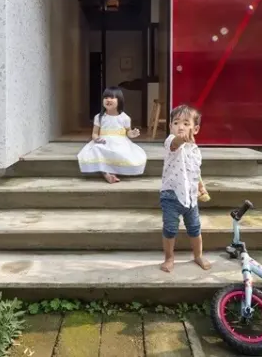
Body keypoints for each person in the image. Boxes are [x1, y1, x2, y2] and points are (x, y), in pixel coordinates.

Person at [159, 104, 211, 273]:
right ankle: (169, 258)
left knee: (195, 228)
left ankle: (198, 255)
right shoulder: (170, 142)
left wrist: (201, 187)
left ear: (196, 129)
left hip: (191, 197)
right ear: (170, 126)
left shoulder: (195, 150)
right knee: (170, 229)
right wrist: (182, 138)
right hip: (171, 195)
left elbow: (196, 171)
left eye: (186, 123)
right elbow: (176, 143)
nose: (180, 127)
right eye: (176, 123)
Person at [77, 86, 147, 183]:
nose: (108, 100)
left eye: (112, 97)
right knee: (97, 149)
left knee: (119, 151)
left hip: (120, 142)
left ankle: (112, 173)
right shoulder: (99, 117)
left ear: (119, 100)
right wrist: (97, 139)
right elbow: (95, 133)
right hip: (104, 142)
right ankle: (107, 174)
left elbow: (128, 132)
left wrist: (132, 134)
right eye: (106, 98)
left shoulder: (124, 118)